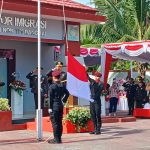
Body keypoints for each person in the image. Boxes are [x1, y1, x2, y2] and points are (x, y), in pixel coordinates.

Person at [48, 70, 69, 144]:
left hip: (54, 106)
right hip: (60, 105)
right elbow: (67, 93)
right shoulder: (62, 85)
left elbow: (50, 98)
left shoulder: (52, 86)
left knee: (55, 123)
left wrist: (50, 108)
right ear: (59, 77)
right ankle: (59, 138)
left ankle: (56, 139)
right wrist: (63, 100)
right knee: (59, 123)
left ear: (54, 77)